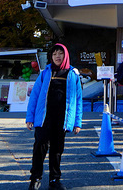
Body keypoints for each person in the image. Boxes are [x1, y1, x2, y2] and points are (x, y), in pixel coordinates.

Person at [26, 44, 83, 190]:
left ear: (66, 55)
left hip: (62, 118)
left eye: (60, 53)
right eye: (54, 54)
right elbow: (35, 96)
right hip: (44, 117)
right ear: (51, 57)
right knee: (40, 146)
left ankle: (54, 180)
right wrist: (30, 117)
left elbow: (78, 100)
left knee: (57, 149)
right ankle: (35, 178)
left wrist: (77, 122)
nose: (57, 56)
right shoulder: (45, 73)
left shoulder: (73, 75)